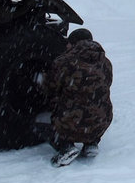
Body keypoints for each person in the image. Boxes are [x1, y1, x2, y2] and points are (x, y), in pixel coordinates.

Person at [44, 28, 113, 167]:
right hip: (101, 121)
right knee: (94, 102)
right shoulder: (105, 62)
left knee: (43, 123)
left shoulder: (63, 62)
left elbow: (51, 88)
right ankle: (91, 143)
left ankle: (66, 146)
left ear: (73, 43)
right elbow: (107, 84)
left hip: (71, 122)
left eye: (68, 43)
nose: (66, 46)